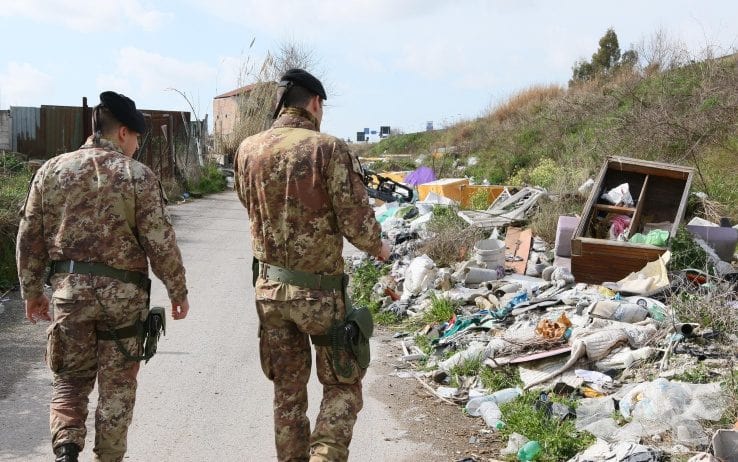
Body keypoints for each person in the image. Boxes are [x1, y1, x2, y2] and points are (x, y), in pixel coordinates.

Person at [16, 91, 190, 462]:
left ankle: (66, 450)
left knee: (70, 381)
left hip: (70, 296)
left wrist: (32, 291)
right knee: (118, 389)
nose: (137, 146)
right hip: (123, 302)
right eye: (137, 138)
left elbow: (29, 236)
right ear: (123, 133)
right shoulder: (138, 176)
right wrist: (178, 290)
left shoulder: (52, 170)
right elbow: (160, 241)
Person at [234, 69, 390, 462]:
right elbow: (356, 221)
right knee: (343, 383)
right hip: (319, 295)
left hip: (270, 292)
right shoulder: (329, 149)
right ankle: (324, 456)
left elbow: (248, 204)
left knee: (287, 392)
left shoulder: (248, 149)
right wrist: (380, 248)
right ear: (315, 104)